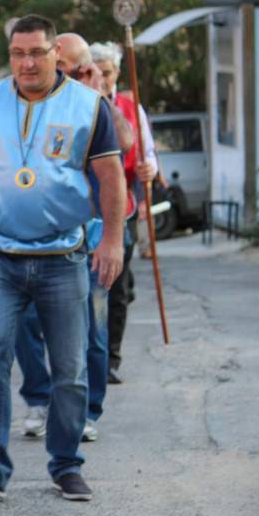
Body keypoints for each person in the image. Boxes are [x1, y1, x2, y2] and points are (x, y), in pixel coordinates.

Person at [0, 15, 125, 503]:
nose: (27, 62)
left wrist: (113, 241)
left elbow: (110, 177)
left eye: (37, 52)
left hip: (63, 256)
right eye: (18, 53)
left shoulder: (87, 105)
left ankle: (66, 464)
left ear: (56, 53)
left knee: (70, 369)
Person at [14, 33, 131, 443]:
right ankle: (40, 398)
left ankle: (86, 410)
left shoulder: (100, 104)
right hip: (42, 231)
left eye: (81, 69)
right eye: (64, 68)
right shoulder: (33, 103)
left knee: (91, 327)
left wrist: (97, 92)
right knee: (25, 320)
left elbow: (129, 143)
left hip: (96, 229)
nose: (70, 76)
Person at [90, 40, 159, 384]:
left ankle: (111, 358)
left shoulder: (131, 108)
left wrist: (149, 170)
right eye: (96, 70)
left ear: (117, 73)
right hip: (86, 208)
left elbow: (147, 153)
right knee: (91, 287)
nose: (101, 77)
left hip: (123, 206)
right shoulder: (78, 102)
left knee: (115, 286)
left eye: (107, 71)